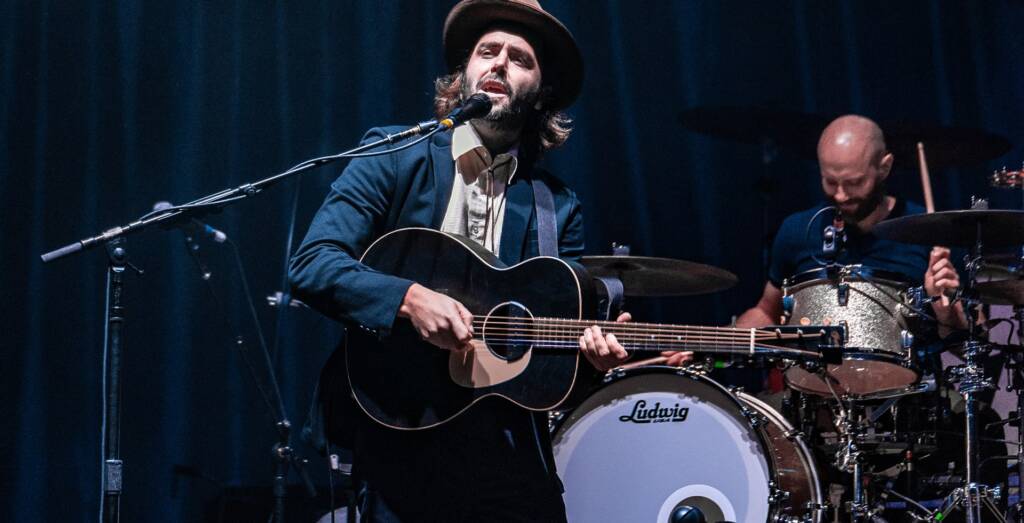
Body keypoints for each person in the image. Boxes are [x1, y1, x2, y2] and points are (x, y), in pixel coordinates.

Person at [289, 1, 630, 520]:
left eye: (520, 58)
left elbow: (551, 362)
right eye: (487, 51)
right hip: (396, 435)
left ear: (541, 92)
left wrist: (590, 360)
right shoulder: (393, 156)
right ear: (463, 73)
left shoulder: (557, 207)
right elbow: (313, 263)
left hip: (504, 453)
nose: (499, 63)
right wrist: (407, 298)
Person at [664, 114, 968, 367]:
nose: (841, 195)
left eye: (854, 182)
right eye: (830, 181)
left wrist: (948, 313)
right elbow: (767, 312)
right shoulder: (798, 230)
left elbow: (967, 350)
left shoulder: (931, 233)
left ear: (884, 167)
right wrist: (711, 344)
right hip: (817, 397)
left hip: (911, 401)